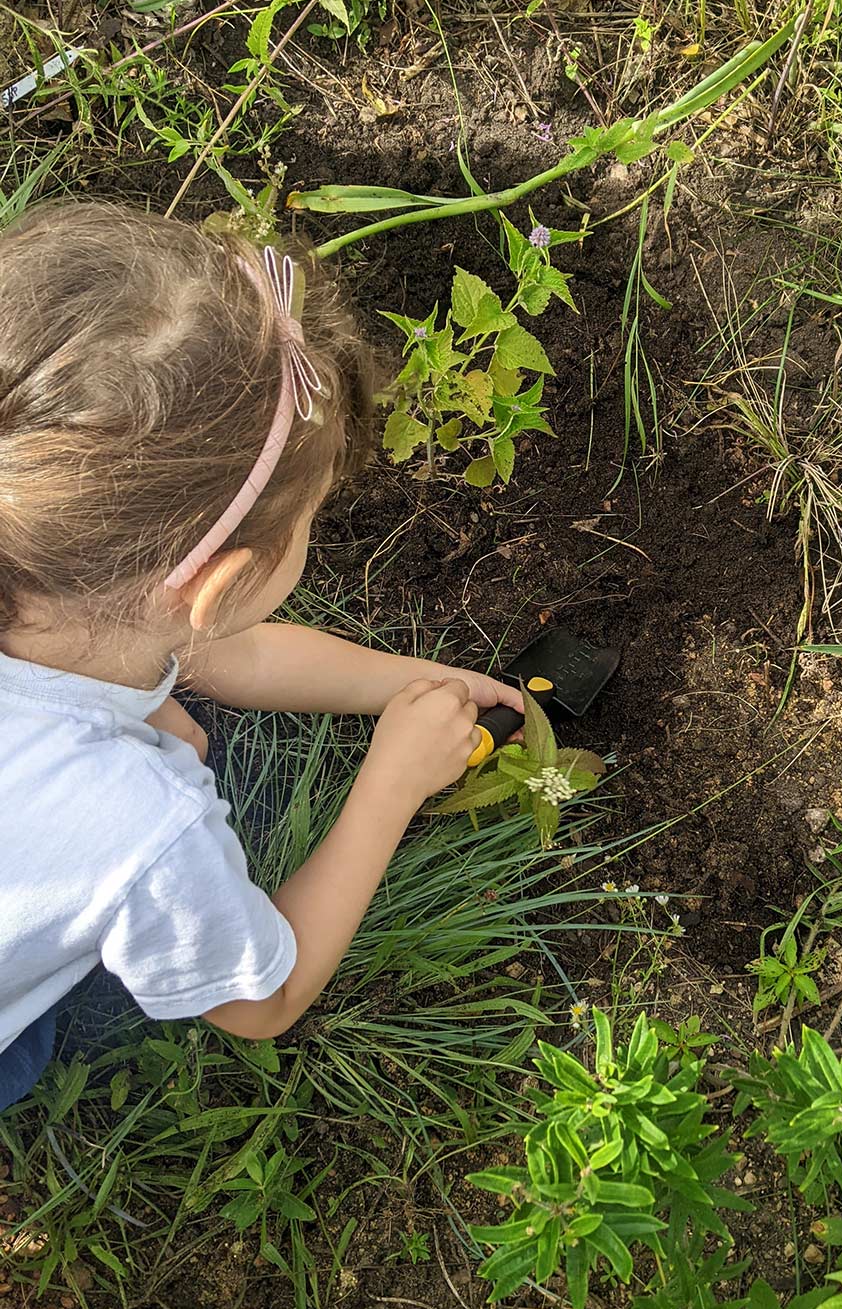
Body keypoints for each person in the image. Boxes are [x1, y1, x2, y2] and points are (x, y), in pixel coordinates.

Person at [0, 201, 524, 1113]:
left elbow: (221, 658)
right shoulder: (138, 827)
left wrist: (408, 686)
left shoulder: (52, 581)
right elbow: (263, 1002)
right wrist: (391, 785)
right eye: (310, 520)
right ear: (216, 585)